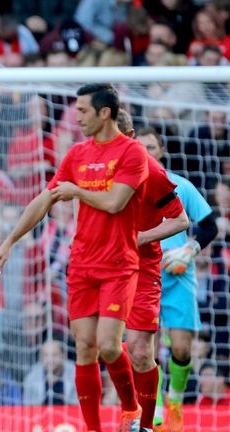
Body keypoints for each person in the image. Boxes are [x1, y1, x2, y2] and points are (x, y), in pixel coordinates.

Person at [0, 84, 148, 432]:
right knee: (85, 347)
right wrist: (9, 241)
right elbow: (44, 200)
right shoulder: (76, 153)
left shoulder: (132, 152)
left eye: (83, 111)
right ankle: (92, 429)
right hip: (82, 265)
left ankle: (131, 408)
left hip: (119, 265)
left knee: (109, 345)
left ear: (104, 113)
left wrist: (77, 191)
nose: (76, 118)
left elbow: (114, 203)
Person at [135, 127, 219, 432]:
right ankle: (155, 409)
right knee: (146, 347)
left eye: (151, 147)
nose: (145, 153)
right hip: (144, 276)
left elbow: (210, 226)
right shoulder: (128, 188)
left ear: (161, 151)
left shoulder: (179, 186)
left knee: (183, 349)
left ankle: (175, 401)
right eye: (140, 147)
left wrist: (189, 249)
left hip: (178, 277)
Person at [116, 111, 190, 432]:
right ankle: (130, 412)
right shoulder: (91, 164)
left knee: (142, 350)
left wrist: (140, 238)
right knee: (101, 345)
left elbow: (184, 220)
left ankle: (150, 418)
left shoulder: (155, 173)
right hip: (106, 265)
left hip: (147, 267)